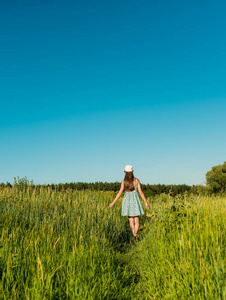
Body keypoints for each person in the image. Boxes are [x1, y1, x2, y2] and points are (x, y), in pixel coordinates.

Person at [109, 165, 150, 241]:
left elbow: (120, 193)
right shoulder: (137, 180)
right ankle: (135, 234)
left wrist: (113, 202)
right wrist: (146, 202)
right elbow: (140, 192)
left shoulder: (124, 181)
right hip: (135, 200)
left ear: (125, 172)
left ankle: (134, 235)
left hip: (127, 201)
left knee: (131, 220)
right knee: (136, 219)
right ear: (131, 172)